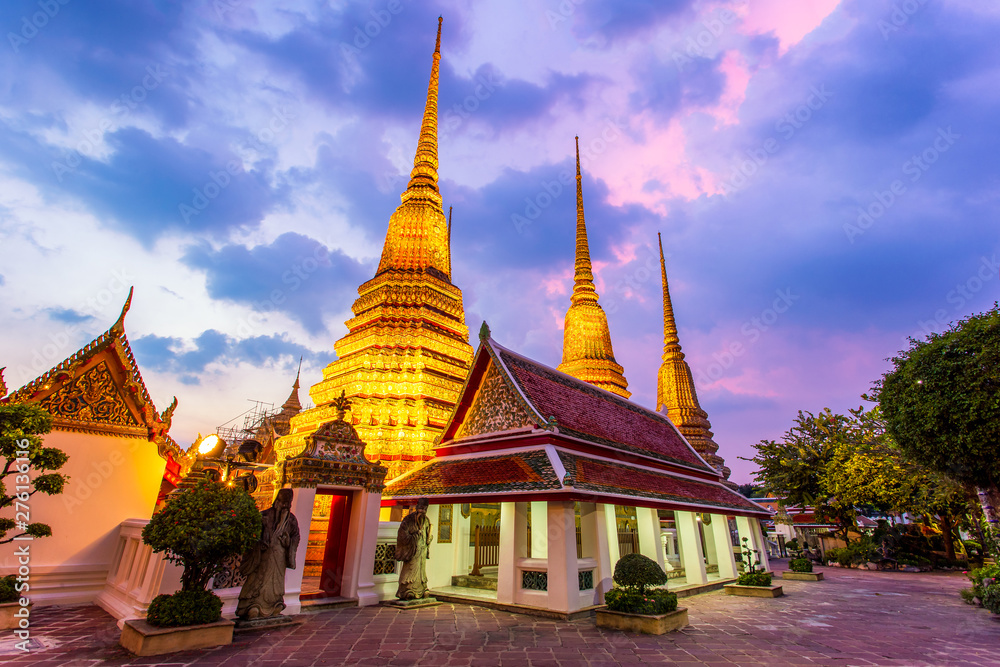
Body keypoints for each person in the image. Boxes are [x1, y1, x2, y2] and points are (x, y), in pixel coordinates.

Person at [237, 488, 300, 619]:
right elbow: (252, 536)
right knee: (258, 579)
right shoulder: (264, 516)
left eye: (287, 503)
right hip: (263, 556)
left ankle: (275, 604)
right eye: (283, 502)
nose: (285, 506)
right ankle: (252, 605)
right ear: (277, 501)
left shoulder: (291, 520)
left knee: (276, 582)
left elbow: (296, 537)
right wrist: (260, 543)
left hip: (280, 557)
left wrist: (287, 541)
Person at [395, 498, 432, 600]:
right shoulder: (408, 520)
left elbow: (427, 534)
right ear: (417, 507)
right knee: (410, 570)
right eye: (420, 507)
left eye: (424, 508)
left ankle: (421, 589)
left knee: (421, 571)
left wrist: (429, 539)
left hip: (422, 550)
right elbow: (402, 535)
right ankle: (406, 589)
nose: (422, 510)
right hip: (412, 550)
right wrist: (414, 537)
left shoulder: (426, 521)